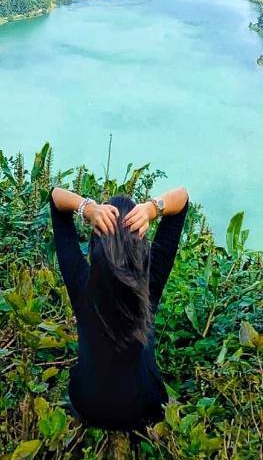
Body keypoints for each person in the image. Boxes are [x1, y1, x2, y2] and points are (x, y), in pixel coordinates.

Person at [49, 183, 190, 431]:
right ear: (140, 244)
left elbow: (56, 199)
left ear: (96, 245)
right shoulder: (149, 282)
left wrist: (88, 208)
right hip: (146, 406)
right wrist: (151, 209)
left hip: (88, 405)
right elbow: (182, 200)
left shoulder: (81, 283)